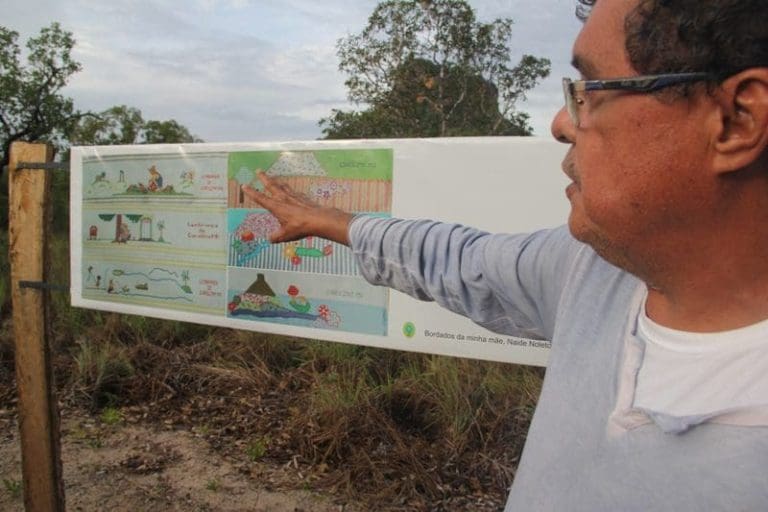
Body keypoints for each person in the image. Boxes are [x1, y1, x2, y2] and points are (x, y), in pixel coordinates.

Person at [243, 0, 768, 509]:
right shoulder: (593, 272)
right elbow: (465, 262)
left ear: (735, 120)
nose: (562, 123)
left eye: (589, 90)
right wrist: (332, 222)